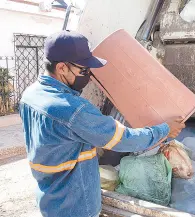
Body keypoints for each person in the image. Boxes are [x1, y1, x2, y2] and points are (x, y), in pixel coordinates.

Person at [19, 30, 185, 217]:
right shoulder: (72, 109)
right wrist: (165, 129)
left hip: (50, 200)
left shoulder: (30, 96)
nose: (88, 76)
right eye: (83, 70)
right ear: (62, 68)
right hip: (76, 207)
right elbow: (124, 140)